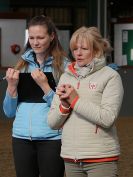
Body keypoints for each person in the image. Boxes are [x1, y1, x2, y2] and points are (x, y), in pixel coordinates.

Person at [48, 26, 124, 177]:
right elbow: (52, 123)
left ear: (96, 50)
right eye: (75, 48)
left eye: (84, 48)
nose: (78, 53)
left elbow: (107, 118)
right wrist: (64, 106)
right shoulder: (65, 77)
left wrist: (75, 101)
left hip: (101, 158)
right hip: (71, 158)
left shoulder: (111, 76)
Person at [3, 15, 70, 177]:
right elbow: (9, 112)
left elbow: (66, 107)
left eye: (40, 37)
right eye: (31, 37)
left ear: (52, 36)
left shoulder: (65, 66)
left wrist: (45, 86)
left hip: (52, 138)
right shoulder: (21, 65)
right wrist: (11, 87)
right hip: (21, 137)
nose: (35, 42)